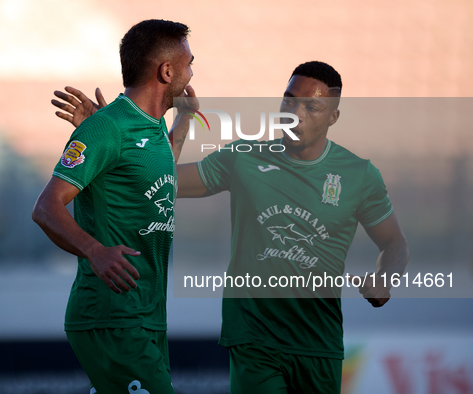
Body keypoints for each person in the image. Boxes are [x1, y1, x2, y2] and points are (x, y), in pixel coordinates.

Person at [53, 61, 409, 393]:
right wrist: (112, 144)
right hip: (254, 338)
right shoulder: (243, 158)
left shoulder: (359, 175)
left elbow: (394, 244)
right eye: (289, 101)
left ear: (333, 116)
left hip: (320, 341)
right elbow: (159, 180)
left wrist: (386, 277)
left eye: (311, 108)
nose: (294, 114)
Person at [32, 19, 196, 394]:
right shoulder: (107, 127)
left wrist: (184, 118)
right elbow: (46, 207)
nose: (192, 72)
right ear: (167, 71)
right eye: (189, 63)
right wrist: (94, 251)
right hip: (112, 314)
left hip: (147, 313)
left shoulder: (152, 126)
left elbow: (154, 171)